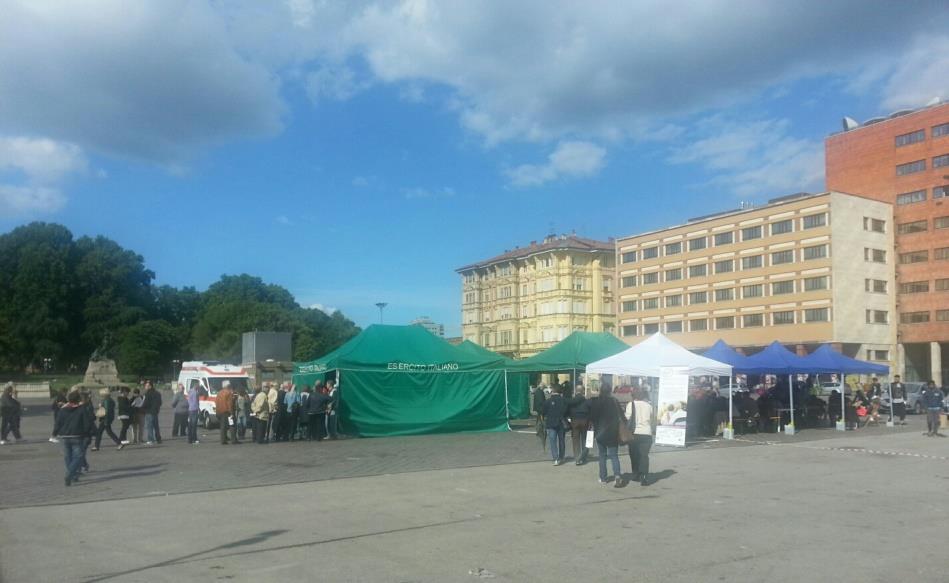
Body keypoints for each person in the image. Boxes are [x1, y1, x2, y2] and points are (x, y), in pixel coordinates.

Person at [53, 391, 94, 486]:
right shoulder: (81, 409)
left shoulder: (63, 410)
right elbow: (87, 423)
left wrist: (54, 433)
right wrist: (86, 432)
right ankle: (70, 473)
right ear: (78, 399)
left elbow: (58, 422)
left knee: (68, 456)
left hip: (65, 436)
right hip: (77, 435)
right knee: (78, 456)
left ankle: (73, 475)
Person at [590, 384, 625, 487]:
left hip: (600, 432)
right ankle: (617, 475)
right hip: (613, 432)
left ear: (600, 390)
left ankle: (603, 477)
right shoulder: (614, 401)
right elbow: (622, 416)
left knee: (602, 455)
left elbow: (592, 417)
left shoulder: (596, 401)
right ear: (610, 391)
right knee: (614, 455)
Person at [626, 387, 654, 486]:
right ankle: (644, 476)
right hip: (646, 433)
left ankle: (636, 473)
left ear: (634, 395)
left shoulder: (630, 404)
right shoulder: (649, 406)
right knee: (644, 456)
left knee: (634, 455)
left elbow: (627, 418)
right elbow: (650, 418)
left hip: (634, 433)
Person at [541, 386, 567, 465]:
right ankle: (561, 457)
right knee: (561, 441)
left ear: (552, 392)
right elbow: (566, 411)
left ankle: (555, 458)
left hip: (551, 423)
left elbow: (543, 412)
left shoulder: (548, 401)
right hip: (561, 423)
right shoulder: (564, 400)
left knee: (552, 441)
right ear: (560, 393)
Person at [566, 393, 590, 465]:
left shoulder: (572, 401)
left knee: (575, 440)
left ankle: (577, 458)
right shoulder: (586, 401)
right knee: (585, 439)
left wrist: (569, 417)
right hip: (584, 421)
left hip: (575, 421)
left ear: (576, 392)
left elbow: (567, 410)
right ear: (582, 391)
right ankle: (584, 457)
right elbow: (590, 410)